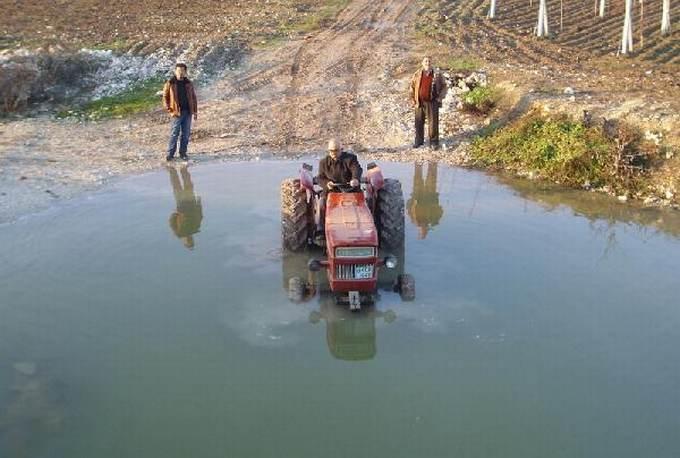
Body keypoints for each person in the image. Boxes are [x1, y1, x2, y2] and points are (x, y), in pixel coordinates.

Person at [316, 138, 362, 235]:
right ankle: (321, 229)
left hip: (350, 189)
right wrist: (327, 183)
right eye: (331, 151)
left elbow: (356, 169)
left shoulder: (350, 159)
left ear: (341, 149)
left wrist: (355, 179)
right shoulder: (323, 162)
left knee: (361, 205)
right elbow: (320, 178)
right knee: (322, 203)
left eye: (336, 150)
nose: (333, 153)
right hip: (331, 191)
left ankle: (362, 227)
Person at [163, 63, 198, 162]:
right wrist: (169, 109)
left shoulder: (188, 83)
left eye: (182, 71)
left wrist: (195, 111)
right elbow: (165, 97)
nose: (180, 73)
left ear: (185, 72)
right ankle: (170, 154)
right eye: (178, 71)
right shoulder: (170, 82)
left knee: (186, 134)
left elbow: (193, 97)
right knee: (174, 134)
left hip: (187, 112)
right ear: (175, 71)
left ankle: (183, 153)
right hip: (176, 113)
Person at [409, 56, 446, 149]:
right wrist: (412, 99)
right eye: (425, 61)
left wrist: (440, 98)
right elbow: (412, 87)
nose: (427, 63)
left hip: (432, 102)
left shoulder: (437, 74)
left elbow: (444, 86)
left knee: (433, 123)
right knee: (418, 122)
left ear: (431, 62)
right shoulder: (417, 74)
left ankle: (434, 142)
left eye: (429, 61)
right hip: (419, 102)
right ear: (422, 63)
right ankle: (418, 141)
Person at [167, 165, 203, 250]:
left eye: (188, 242)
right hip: (190, 203)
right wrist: (199, 203)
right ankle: (183, 169)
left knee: (176, 185)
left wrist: (175, 214)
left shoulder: (179, 233)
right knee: (188, 185)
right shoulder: (195, 228)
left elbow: (171, 222)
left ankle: (172, 170)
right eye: (191, 241)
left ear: (184, 242)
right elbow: (199, 215)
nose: (189, 239)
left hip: (181, 206)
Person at [407, 162, 443, 239]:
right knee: (431, 178)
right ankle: (431, 163)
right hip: (429, 197)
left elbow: (409, 208)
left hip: (418, 197)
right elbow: (440, 210)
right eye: (424, 231)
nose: (423, 228)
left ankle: (420, 163)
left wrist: (411, 200)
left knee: (418, 178)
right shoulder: (433, 220)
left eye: (422, 231)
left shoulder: (415, 220)